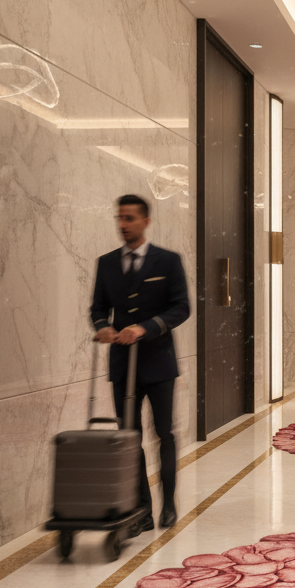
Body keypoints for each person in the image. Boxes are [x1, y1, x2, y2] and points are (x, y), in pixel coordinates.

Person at [90, 194, 191, 532]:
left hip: (159, 364)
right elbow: (97, 308)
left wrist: (144, 328)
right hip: (123, 366)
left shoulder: (168, 261)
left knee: (164, 434)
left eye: (130, 218)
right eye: (120, 218)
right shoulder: (106, 263)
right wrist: (103, 327)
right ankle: (142, 512)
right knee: (129, 438)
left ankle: (169, 506)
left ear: (146, 221)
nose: (123, 225)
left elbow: (181, 308)